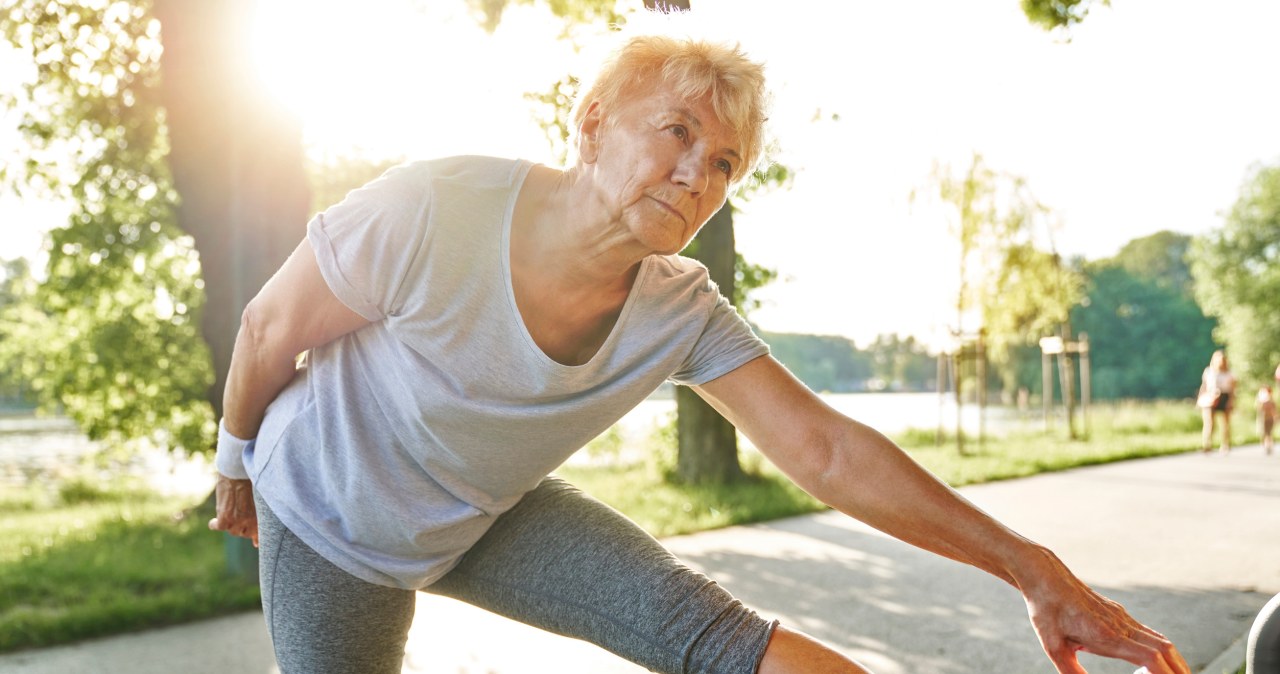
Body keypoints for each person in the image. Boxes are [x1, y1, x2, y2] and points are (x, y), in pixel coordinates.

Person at [207, 25, 1188, 674]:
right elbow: (267, 328)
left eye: (722, 161)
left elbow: (826, 450)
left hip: (482, 509)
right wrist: (235, 462)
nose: (696, 174)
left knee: (707, 634)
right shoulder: (437, 205)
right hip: (328, 512)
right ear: (590, 124)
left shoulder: (677, 304)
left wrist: (1033, 569)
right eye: (675, 132)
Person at [1197, 350, 1237, 454]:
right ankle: (1207, 444)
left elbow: (1233, 390)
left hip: (1225, 396)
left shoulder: (1230, 373)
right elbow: (1204, 386)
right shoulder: (1208, 371)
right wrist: (1200, 398)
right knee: (1209, 422)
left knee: (1225, 424)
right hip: (1210, 397)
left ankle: (1225, 444)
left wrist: (1231, 401)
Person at [1259, 386, 1277, 456]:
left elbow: (1274, 411)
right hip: (1265, 419)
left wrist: (1276, 417)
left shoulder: (1272, 402)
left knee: (1269, 433)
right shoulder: (1263, 402)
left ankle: (1269, 445)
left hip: (1270, 419)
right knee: (1265, 433)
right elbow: (1260, 410)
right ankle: (1266, 445)